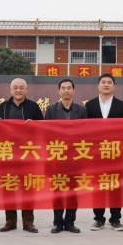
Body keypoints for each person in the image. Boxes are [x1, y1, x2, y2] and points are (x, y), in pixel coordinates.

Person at [0, 78, 44, 233]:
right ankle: (10, 222)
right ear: (10, 90)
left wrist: (34, 125)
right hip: (8, 154)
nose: (18, 90)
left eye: (21, 88)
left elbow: (43, 128)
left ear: (26, 90)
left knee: (27, 188)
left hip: (27, 154)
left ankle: (28, 222)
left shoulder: (33, 106)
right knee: (8, 188)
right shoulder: (3, 106)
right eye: (15, 88)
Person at [86, 73, 123, 231]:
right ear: (98, 85)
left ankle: (115, 219)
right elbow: (85, 129)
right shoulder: (89, 105)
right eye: (103, 82)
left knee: (115, 187)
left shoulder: (121, 106)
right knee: (97, 187)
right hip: (96, 154)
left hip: (115, 153)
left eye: (109, 82)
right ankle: (98, 219)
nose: (106, 85)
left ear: (114, 86)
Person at [45, 79, 87, 233]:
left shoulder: (81, 110)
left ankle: (70, 222)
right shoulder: (51, 110)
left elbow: (86, 132)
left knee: (72, 192)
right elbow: (46, 133)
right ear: (59, 91)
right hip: (57, 157)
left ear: (73, 91)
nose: (66, 90)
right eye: (63, 88)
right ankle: (57, 222)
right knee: (57, 191)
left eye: (69, 88)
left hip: (75, 157)